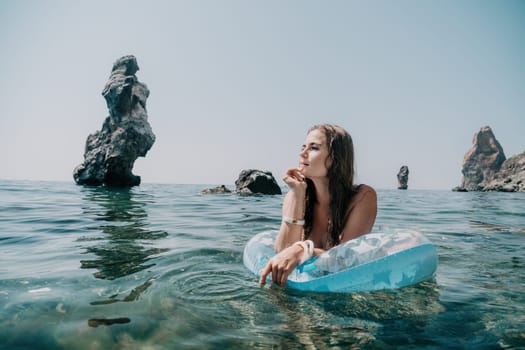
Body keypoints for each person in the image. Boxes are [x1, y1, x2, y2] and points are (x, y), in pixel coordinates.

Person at [259, 124, 377, 286]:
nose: (302, 153)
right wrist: (298, 194)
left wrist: (303, 250)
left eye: (313, 148)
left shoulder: (363, 197)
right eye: (303, 147)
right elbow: (282, 253)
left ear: (334, 159)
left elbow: (347, 260)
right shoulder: (294, 196)